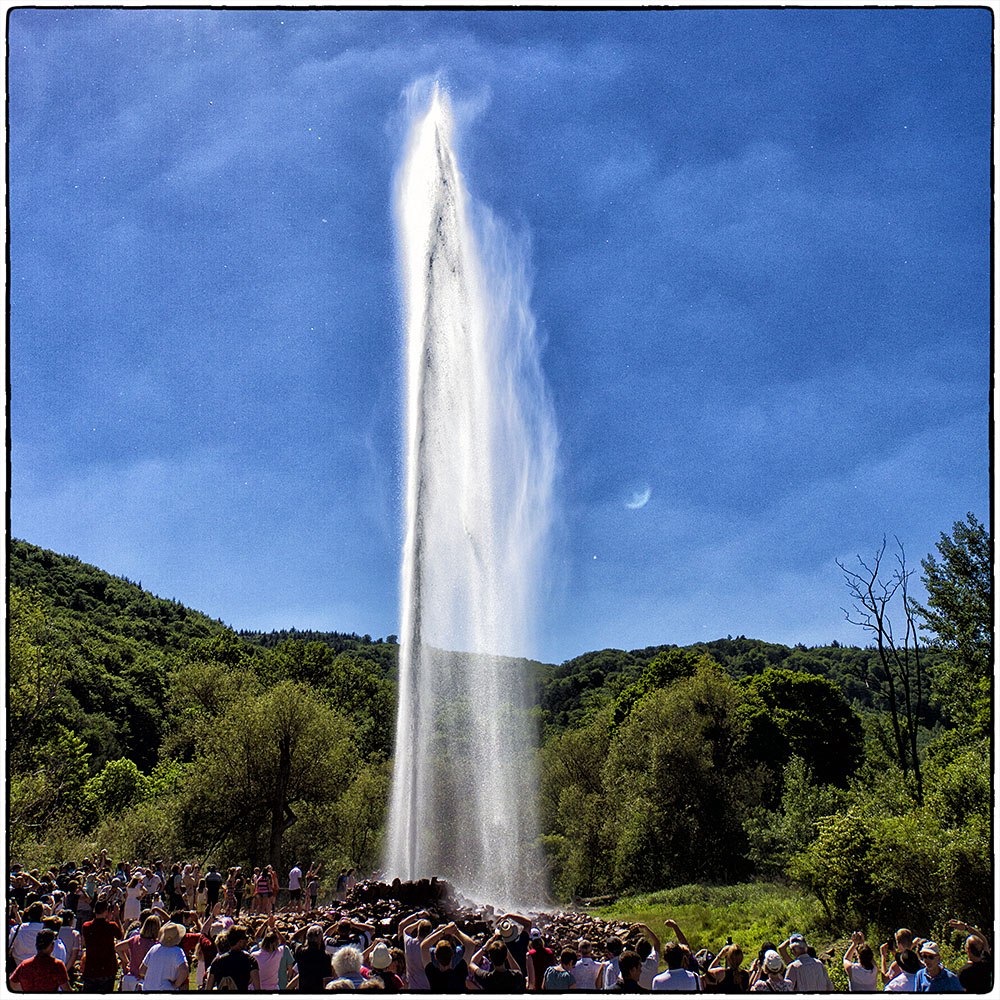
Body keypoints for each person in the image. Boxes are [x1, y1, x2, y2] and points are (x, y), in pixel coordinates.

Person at [79, 899, 122, 992]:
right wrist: (117, 917)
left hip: (91, 967)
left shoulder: (86, 926)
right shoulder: (111, 926)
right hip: (107, 968)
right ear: (106, 911)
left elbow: (84, 943)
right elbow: (120, 936)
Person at [9, 927, 70, 993]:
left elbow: (11, 984)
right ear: (52, 945)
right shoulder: (57, 965)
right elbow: (66, 989)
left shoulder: (25, 965)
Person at [138, 922, 189, 992]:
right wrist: (176, 985)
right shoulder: (177, 951)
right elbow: (184, 970)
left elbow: (142, 971)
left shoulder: (154, 948)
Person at [206, 925, 260, 991]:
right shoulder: (250, 960)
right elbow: (257, 987)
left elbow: (208, 988)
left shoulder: (217, 961)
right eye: (245, 938)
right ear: (239, 941)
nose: (247, 941)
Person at [115, 913, 160, 991]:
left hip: (130, 978)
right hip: (143, 981)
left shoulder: (135, 939)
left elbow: (118, 947)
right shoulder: (154, 945)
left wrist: (127, 961)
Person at [421, 922, 469, 992]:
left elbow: (423, 946)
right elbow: (470, 945)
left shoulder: (433, 975)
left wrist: (442, 931)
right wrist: (455, 931)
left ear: (435, 957)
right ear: (452, 955)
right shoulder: (459, 972)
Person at [948, 920, 992, 993]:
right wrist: (966, 927)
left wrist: (965, 928)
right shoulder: (986, 963)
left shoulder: (963, 972)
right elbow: (984, 939)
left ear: (967, 949)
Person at [397, 910, 433, 990]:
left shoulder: (408, 943)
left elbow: (405, 930)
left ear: (417, 930)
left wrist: (418, 922)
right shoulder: (429, 951)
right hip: (427, 987)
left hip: (411, 986)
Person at [293, 923, 334, 991]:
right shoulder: (325, 956)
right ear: (320, 939)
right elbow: (327, 980)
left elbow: (294, 939)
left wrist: (307, 927)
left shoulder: (300, 952)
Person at [633, 923, 663, 990]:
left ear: (635, 951)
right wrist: (646, 928)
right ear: (649, 952)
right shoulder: (653, 962)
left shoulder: (632, 967)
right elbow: (657, 943)